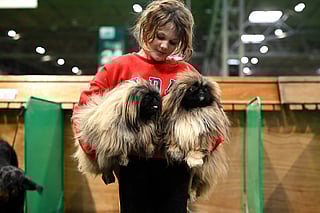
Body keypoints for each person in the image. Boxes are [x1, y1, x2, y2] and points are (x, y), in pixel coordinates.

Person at [72, 0, 203, 212]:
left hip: (177, 166)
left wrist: (205, 149)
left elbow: (211, 114)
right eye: (160, 36)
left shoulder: (187, 72)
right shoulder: (119, 67)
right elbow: (84, 108)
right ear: (145, 28)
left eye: (173, 42)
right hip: (134, 163)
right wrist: (98, 154)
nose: (164, 46)